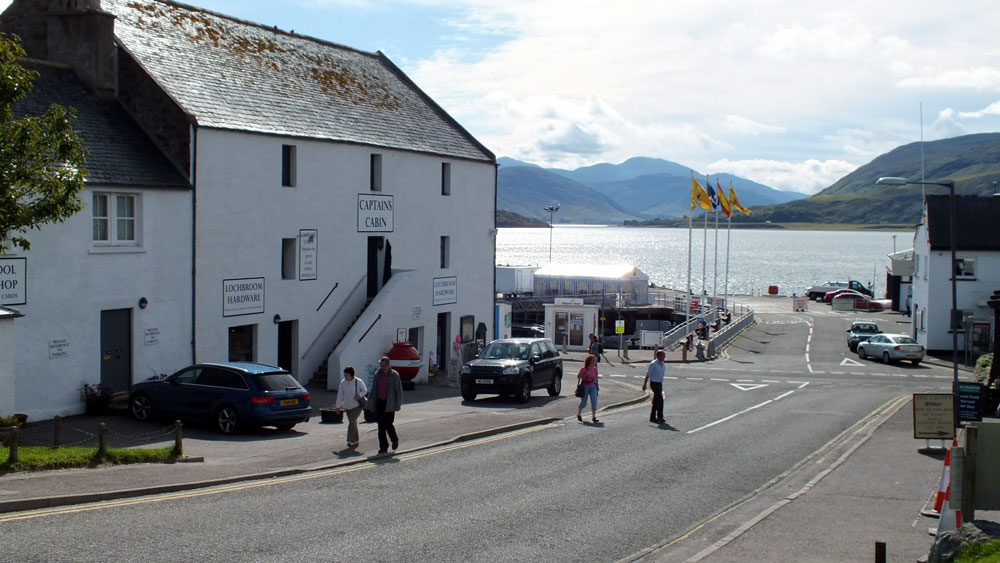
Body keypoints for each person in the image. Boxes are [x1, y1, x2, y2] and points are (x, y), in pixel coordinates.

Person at [363, 356, 403, 454]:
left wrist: (398, 404)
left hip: (390, 403)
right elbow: (374, 390)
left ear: (389, 365)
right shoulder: (377, 374)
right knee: (381, 427)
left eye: (384, 366)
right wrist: (371, 404)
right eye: (381, 365)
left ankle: (394, 440)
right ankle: (383, 447)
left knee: (388, 424)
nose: (383, 367)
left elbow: (399, 390)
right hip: (380, 402)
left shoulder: (394, 375)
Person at [334, 366, 367, 449]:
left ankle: (350, 440)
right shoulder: (343, 383)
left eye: (347, 375)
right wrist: (338, 407)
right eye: (344, 374)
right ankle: (356, 440)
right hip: (347, 406)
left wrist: (359, 395)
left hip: (357, 406)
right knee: (353, 423)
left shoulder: (358, 381)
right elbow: (340, 395)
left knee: (352, 422)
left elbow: (365, 390)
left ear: (351, 375)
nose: (345, 376)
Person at [642, 349, 666, 423]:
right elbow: (648, 374)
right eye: (662, 355)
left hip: (659, 383)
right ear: (658, 356)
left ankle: (652, 417)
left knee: (656, 401)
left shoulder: (663, 363)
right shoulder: (653, 364)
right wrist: (644, 384)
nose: (664, 357)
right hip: (654, 383)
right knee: (660, 400)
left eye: (664, 355)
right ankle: (660, 417)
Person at [577, 354, 600, 423]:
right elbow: (578, 376)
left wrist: (597, 385)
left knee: (594, 401)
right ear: (589, 361)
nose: (594, 362)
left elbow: (596, 378)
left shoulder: (594, 369)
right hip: (585, 387)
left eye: (595, 361)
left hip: (593, 386)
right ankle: (579, 414)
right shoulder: (584, 369)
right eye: (593, 360)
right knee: (584, 402)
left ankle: (594, 417)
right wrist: (585, 375)